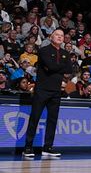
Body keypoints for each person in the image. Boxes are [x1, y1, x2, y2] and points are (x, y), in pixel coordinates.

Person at [21, 29, 70, 158]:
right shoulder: (43, 50)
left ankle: (48, 147)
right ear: (50, 36)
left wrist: (56, 67)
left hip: (56, 91)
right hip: (42, 89)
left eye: (62, 36)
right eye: (57, 35)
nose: (60, 37)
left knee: (52, 120)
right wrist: (60, 67)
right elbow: (51, 66)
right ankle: (28, 147)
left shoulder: (66, 53)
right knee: (35, 117)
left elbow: (70, 69)